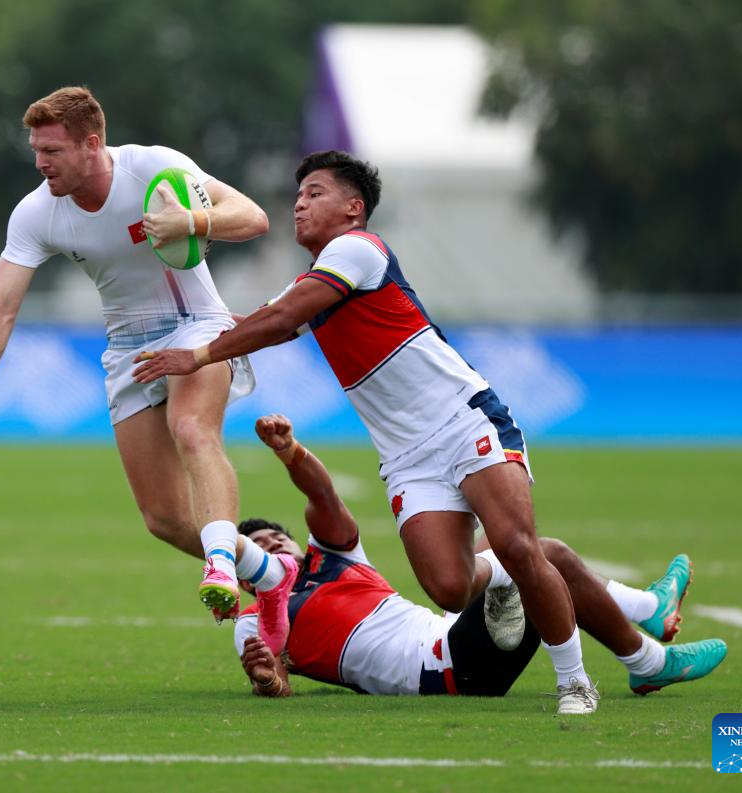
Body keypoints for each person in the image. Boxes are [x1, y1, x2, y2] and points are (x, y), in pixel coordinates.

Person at [133, 150, 598, 712]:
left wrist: (198, 355)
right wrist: (174, 327)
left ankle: (574, 681)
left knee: (519, 545)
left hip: (462, 418)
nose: (300, 204)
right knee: (449, 588)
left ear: (354, 209)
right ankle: (503, 582)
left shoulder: (358, 250)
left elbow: (279, 321)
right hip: (407, 457)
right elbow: (255, 322)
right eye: (298, 195)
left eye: (315, 193)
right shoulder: (311, 283)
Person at [0, 86, 293, 622]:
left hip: (196, 324)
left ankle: (222, 566)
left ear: (91, 144)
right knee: (164, 518)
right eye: (35, 151)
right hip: (128, 347)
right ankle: (272, 574)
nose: (40, 164)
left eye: (51, 151)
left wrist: (192, 222)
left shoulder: (153, 169)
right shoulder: (36, 212)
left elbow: (252, 217)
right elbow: (1, 307)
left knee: (191, 429)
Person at [234, 415, 728, 702]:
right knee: (540, 555)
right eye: (255, 547)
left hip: (448, 633)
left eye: (275, 537)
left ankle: (648, 622)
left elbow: (322, 496)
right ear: (246, 579)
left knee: (506, 544)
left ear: (295, 543)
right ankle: (647, 646)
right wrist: (267, 681)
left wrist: (291, 451)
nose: (270, 545)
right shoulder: (256, 618)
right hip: (445, 672)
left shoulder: (334, 558)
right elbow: (274, 678)